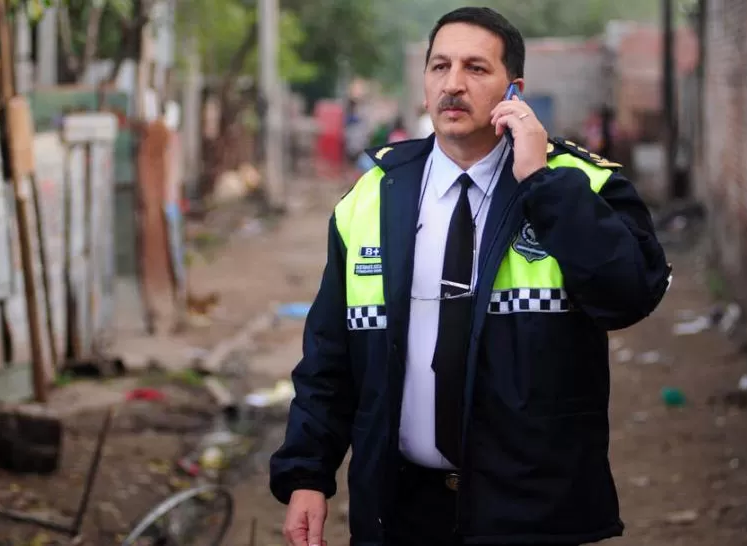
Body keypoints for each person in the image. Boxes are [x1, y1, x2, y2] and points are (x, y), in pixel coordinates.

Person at [270, 6, 672, 546]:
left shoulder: (581, 187)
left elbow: (630, 295)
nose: (453, 84)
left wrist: (541, 183)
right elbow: (330, 354)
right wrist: (306, 475)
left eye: (476, 69)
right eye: (440, 67)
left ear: (515, 90)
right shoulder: (371, 197)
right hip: (400, 510)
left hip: (530, 514)